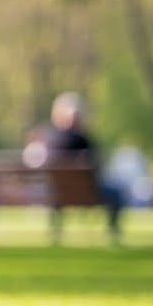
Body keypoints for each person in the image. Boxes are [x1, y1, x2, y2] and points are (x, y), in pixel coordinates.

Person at [23, 91, 125, 242]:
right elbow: (97, 165)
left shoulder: (50, 138)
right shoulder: (82, 139)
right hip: (87, 193)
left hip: (56, 191)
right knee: (116, 192)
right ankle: (113, 231)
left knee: (59, 189)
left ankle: (55, 230)